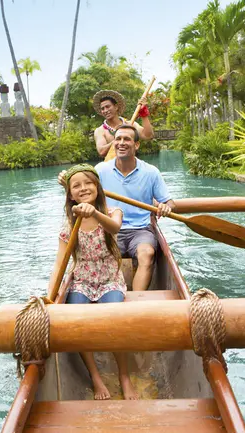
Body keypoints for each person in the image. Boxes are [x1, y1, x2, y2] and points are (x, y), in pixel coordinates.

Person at [48, 163, 138, 400]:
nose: (84, 188)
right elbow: (59, 265)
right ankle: (96, 378)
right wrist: (49, 297)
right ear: (69, 194)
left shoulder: (112, 213)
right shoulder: (69, 226)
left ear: (98, 187)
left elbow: (115, 227)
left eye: (89, 183)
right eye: (76, 186)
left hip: (110, 280)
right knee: (77, 323)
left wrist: (94, 212)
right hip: (82, 282)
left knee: (114, 321)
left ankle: (124, 376)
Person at [58, 125, 175, 291]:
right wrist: (66, 182)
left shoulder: (151, 172)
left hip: (141, 229)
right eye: (118, 139)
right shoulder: (100, 170)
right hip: (107, 228)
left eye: (127, 139)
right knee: (96, 256)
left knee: (147, 254)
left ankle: (135, 302)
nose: (121, 143)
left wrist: (165, 206)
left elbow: (170, 203)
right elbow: (81, 192)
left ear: (136, 145)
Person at [93, 90, 154, 158]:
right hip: (111, 167)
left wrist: (143, 114)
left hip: (130, 166)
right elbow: (101, 151)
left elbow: (148, 136)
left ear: (116, 107)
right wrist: (118, 139)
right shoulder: (100, 131)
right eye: (102, 108)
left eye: (108, 107)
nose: (105, 110)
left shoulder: (131, 124)